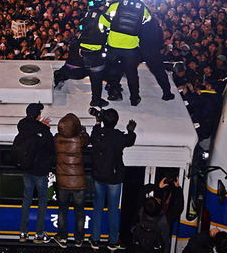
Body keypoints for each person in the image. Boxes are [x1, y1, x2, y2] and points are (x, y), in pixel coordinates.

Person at [100, 0, 152, 106]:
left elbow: (103, 22)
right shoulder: (144, 9)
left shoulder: (116, 5)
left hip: (113, 45)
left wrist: (105, 32)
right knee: (132, 73)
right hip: (131, 48)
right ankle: (134, 97)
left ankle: (114, 92)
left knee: (112, 70)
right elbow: (148, 24)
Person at [90, 108, 137, 250]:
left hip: (99, 176)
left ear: (103, 121)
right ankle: (112, 241)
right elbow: (130, 141)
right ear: (116, 122)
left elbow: (94, 133)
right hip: (115, 178)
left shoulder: (97, 134)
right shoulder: (119, 137)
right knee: (113, 210)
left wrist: (97, 122)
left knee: (98, 208)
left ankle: (95, 240)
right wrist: (131, 130)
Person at [17, 103, 54, 244]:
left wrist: (39, 125)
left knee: (27, 200)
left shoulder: (21, 124)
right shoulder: (43, 130)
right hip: (40, 171)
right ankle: (39, 233)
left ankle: (23, 232)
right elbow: (50, 149)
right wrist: (45, 128)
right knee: (42, 201)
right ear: (38, 115)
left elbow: (30, 129)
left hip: (27, 169)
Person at [54, 113, 90, 248]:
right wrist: (83, 132)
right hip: (79, 185)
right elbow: (87, 140)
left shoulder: (57, 140)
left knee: (63, 210)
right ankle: (79, 239)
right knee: (79, 212)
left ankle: (63, 237)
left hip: (63, 184)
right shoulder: (79, 140)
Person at [134, 177, 184, 253]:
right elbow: (179, 207)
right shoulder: (166, 220)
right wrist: (177, 187)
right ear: (159, 207)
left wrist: (157, 186)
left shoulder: (141, 212)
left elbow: (142, 190)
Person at [79, 0, 110, 107]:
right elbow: (111, 27)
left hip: (84, 51)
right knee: (97, 77)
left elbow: (81, 27)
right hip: (95, 52)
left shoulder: (87, 14)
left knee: (93, 75)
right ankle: (96, 100)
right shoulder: (102, 16)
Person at [140, 15, 175, 101]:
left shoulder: (142, 25)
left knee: (128, 68)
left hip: (139, 50)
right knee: (160, 73)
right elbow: (158, 44)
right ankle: (167, 93)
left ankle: (114, 86)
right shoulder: (158, 29)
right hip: (152, 53)